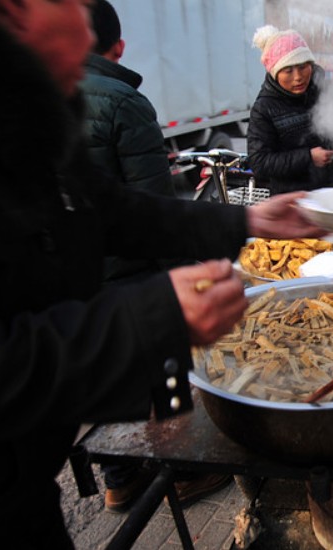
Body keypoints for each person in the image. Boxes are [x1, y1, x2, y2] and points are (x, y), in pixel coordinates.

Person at [0, 0, 324, 547]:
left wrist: (249, 220)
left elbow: (115, 211)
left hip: (20, 476)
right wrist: (155, 314)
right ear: (8, 11)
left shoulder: (26, 115)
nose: (87, 24)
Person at [80, 0, 230, 512]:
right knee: (168, 369)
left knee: (110, 374)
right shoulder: (122, 101)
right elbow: (154, 208)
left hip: (84, 281)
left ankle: (119, 479)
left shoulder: (33, 99)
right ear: (118, 47)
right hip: (132, 274)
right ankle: (184, 469)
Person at [246, 24, 333, 196]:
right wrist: (308, 157)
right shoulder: (264, 108)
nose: (298, 77)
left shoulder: (324, 89)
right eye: (288, 71)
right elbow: (259, 163)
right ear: (275, 73)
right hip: (291, 202)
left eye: (303, 67)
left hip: (331, 192)